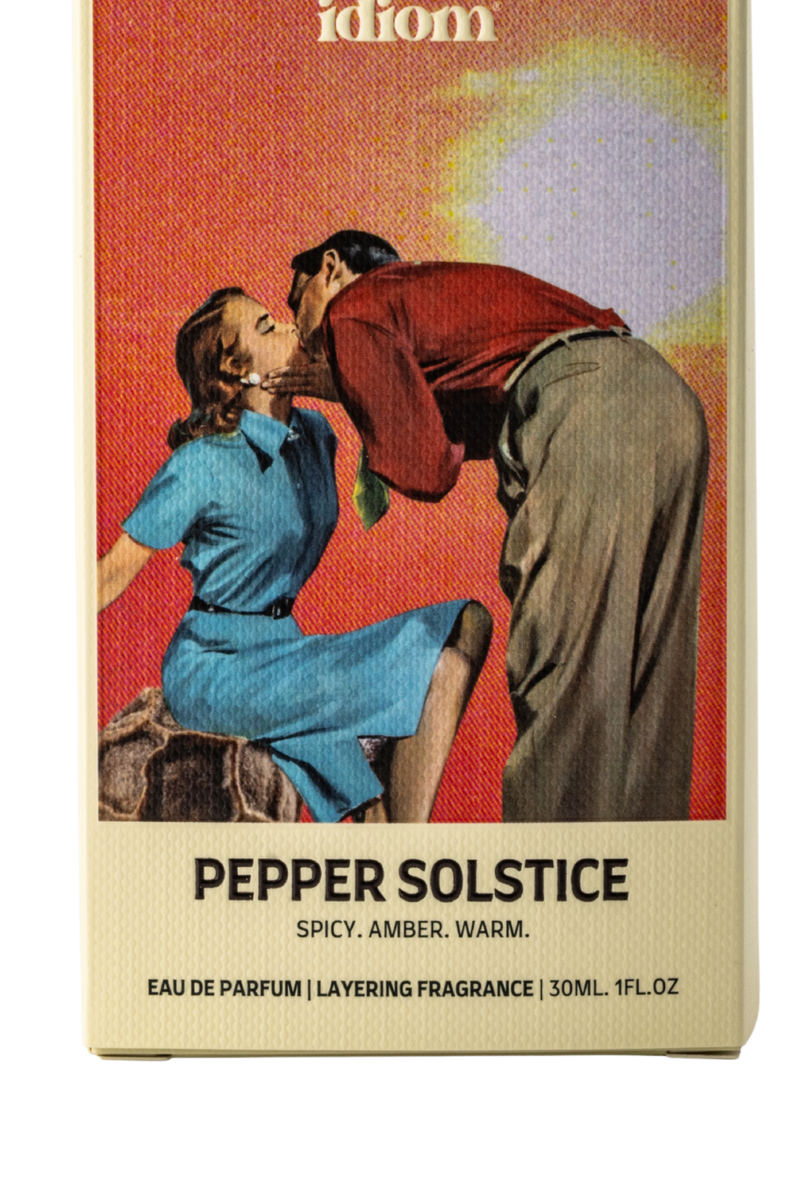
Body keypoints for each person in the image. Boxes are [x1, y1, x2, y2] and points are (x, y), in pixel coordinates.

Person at [270, 231, 708, 823]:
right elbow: (460, 423)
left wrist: (351, 383)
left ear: (330, 270)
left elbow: (425, 469)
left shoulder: (354, 308)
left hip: (591, 412)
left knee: (564, 671)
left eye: (296, 303)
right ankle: (648, 877)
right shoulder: (421, 300)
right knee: (647, 691)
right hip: (663, 397)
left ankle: (557, 874)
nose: (300, 332)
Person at [96, 286, 492, 824]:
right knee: (440, 667)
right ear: (238, 370)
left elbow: (420, 450)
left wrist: (344, 385)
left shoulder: (315, 434)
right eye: (268, 327)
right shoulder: (200, 465)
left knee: (469, 622)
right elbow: (107, 578)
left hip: (287, 651)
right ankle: (408, 848)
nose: (289, 328)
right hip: (217, 668)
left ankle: (398, 842)